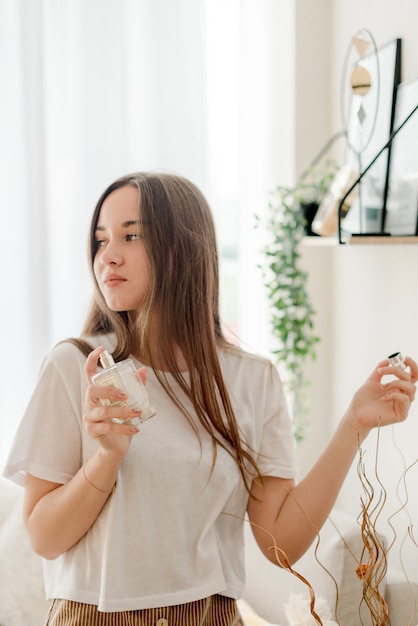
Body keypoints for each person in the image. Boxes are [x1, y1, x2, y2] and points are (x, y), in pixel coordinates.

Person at [3, 171, 417, 626]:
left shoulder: (253, 379)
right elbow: (44, 537)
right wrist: (107, 456)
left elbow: (280, 544)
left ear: (181, 249)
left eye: (131, 235)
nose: (108, 256)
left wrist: (352, 426)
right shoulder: (75, 366)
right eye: (101, 240)